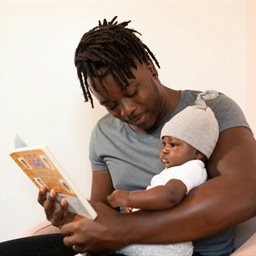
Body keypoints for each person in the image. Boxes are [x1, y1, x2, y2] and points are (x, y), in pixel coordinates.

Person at [0, 16, 255, 256]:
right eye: (111, 105)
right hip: (126, 247)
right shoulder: (104, 133)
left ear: (150, 66)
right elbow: (103, 212)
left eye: (131, 91)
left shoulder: (208, 109)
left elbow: (246, 191)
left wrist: (121, 230)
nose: (126, 110)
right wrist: (71, 214)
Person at [107, 91, 219, 256]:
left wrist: (130, 198)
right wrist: (138, 205)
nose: (165, 150)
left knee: (105, 240)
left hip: (169, 245)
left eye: (173, 145)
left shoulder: (193, 168)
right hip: (161, 240)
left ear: (198, 153)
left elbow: (169, 195)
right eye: (164, 143)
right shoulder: (176, 170)